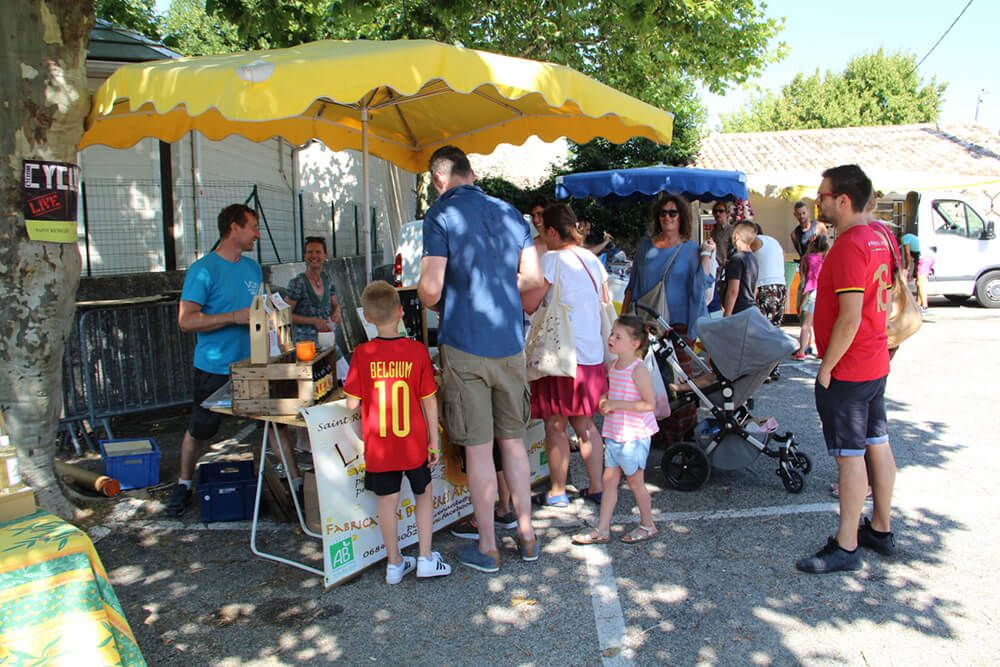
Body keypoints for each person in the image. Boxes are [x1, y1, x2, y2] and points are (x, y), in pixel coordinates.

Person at [418, 145, 543, 573]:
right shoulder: (512, 213)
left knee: (477, 447)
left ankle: (487, 545)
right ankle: (527, 535)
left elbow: (431, 289)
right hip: (510, 344)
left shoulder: (441, 215)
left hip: (464, 344)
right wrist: (498, 283)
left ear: (439, 179)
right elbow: (533, 279)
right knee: (514, 442)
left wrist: (438, 296)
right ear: (471, 172)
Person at [796, 164, 897, 574]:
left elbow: (849, 317)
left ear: (842, 200)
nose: (817, 201)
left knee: (850, 456)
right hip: (875, 360)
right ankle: (881, 528)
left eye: (822, 195)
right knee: (877, 441)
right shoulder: (881, 235)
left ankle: (847, 545)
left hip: (852, 369)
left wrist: (826, 368)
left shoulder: (852, 243)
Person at [343, 281, 451, 584]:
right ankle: (426, 557)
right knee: (423, 495)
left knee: (387, 503)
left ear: (367, 317)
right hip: (415, 443)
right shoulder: (416, 351)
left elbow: (352, 402)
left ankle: (393, 563)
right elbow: (428, 400)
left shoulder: (362, 354)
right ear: (401, 312)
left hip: (380, 446)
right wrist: (435, 440)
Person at [166, 204, 262, 516]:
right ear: (234, 228)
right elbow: (186, 321)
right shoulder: (203, 270)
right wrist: (234, 317)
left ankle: (285, 484)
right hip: (214, 367)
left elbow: (259, 314)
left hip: (252, 365)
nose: (257, 235)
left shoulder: (253, 269)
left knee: (274, 425)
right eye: (252, 227)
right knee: (201, 429)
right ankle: (183, 483)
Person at [521, 204, 608, 508]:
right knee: (585, 424)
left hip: (561, 355)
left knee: (556, 425)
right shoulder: (592, 260)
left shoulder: (553, 260)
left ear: (553, 231)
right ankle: (598, 487)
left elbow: (530, 303)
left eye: (543, 231)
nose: (541, 236)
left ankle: (558, 491)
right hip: (591, 353)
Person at [621, 194, 715, 445]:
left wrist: (706, 256)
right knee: (647, 379)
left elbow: (700, 287)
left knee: (679, 380)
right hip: (646, 323)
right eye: (662, 213)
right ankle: (653, 433)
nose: (667, 217)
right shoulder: (645, 246)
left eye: (673, 213)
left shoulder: (691, 249)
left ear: (681, 216)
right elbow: (633, 284)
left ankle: (682, 435)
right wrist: (623, 320)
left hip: (678, 324)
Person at [572, 315, 658, 545]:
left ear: (634, 343)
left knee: (635, 483)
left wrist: (615, 404)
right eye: (612, 333)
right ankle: (602, 529)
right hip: (615, 433)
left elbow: (649, 404)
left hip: (634, 435)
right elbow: (612, 393)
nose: (611, 338)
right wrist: (603, 399)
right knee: (609, 481)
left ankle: (648, 524)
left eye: (617, 336)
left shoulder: (638, 370)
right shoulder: (613, 366)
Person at [285, 237, 341, 343]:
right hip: (305, 345)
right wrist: (313, 321)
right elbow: (284, 316)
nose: (314, 255)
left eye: (318, 252)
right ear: (305, 256)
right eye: (310, 252)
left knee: (341, 360)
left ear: (325, 256)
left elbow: (335, 304)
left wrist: (337, 311)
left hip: (327, 340)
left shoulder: (328, 279)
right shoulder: (297, 283)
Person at [794, 235, 829, 359]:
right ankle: (817, 349)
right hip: (822, 293)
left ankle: (802, 351)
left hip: (810, 292)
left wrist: (802, 302)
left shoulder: (809, 258)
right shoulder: (825, 260)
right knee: (817, 324)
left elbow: (810, 280)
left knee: (805, 324)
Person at [752, 223, 788, 327]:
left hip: (766, 286)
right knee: (774, 326)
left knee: (763, 326)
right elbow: (784, 257)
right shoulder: (772, 240)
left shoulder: (755, 241)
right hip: (781, 285)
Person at [723, 222, 759, 317]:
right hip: (750, 307)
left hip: (738, 309)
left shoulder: (737, 259)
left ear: (737, 236)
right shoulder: (753, 258)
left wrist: (727, 314)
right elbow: (755, 288)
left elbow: (733, 290)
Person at [901, 230, 931, 311]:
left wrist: (907, 267)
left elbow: (907, 254)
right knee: (918, 281)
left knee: (920, 282)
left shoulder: (904, 238)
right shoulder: (910, 236)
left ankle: (924, 306)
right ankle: (918, 304)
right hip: (927, 257)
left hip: (924, 258)